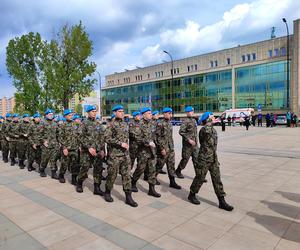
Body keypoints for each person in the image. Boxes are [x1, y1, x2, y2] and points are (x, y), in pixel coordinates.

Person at [188, 111, 233, 211]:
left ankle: (222, 201)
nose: (213, 117)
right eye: (211, 116)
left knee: (217, 179)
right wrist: (211, 121)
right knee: (200, 178)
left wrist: (215, 120)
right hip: (204, 158)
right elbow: (206, 130)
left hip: (213, 158)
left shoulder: (212, 129)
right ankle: (192, 194)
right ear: (207, 119)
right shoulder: (204, 129)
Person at [104, 105, 138, 207]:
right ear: (114, 113)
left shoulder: (125, 124)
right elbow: (107, 138)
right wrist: (120, 143)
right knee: (112, 175)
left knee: (126, 175)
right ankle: (107, 192)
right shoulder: (111, 125)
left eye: (123, 111)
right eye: (119, 111)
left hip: (125, 155)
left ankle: (128, 197)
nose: (122, 113)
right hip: (114, 155)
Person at [131, 107, 161, 197]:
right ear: (143, 115)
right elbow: (138, 138)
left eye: (150, 113)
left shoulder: (152, 123)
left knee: (152, 170)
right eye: (148, 113)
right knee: (140, 169)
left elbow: (155, 136)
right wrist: (148, 142)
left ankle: (151, 189)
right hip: (143, 151)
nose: (150, 114)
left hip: (152, 151)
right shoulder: (139, 125)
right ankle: (133, 183)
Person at [76, 105, 105, 195]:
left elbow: (102, 137)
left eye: (95, 111)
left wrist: (102, 149)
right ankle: (79, 183)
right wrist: (88, 147)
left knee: (98, 169)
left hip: (97, 151)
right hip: (86, 152)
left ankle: (97, 188)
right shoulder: (84, 123)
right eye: (92, 111)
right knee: (84, 168)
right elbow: (79, 136)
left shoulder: (98, 123)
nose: (94, 113)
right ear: (88, 112)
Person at [156, 107, 181, 189]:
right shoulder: (160, 124)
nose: (170, 115)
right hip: (164, 149)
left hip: (170, 148)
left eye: (171, 113)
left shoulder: (170, 123)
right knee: (159, 165)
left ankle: (172, 182)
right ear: (164, 114)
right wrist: (162, 148)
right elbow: (158, 137)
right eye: (169, 113)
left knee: (171, 165)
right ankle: (152, 178)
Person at [175, 106, 199, 179]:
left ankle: (199, 176)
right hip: (187, 146)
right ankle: (178, 171)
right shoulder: (185, 121)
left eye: (192, 111)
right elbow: (181, 132)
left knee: (197, 160)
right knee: (185, 160)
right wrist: (189, 139)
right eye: (189, 112)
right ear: (187, 113)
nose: (191, 113)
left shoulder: (194, 120)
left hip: (195, 145)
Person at [39, 109, 60, 178]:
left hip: (54, 144)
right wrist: (43, 141)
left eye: (52, 114)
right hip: (46, 145)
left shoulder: (55, 123)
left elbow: (58, 133)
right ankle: (42, 170)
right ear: (46, 115)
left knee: (53, 159)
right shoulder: (42, 123)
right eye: (49, 114)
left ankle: (53, 173)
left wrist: (59, 142)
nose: (51, 115)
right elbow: (39, 134)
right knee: (45, 159)